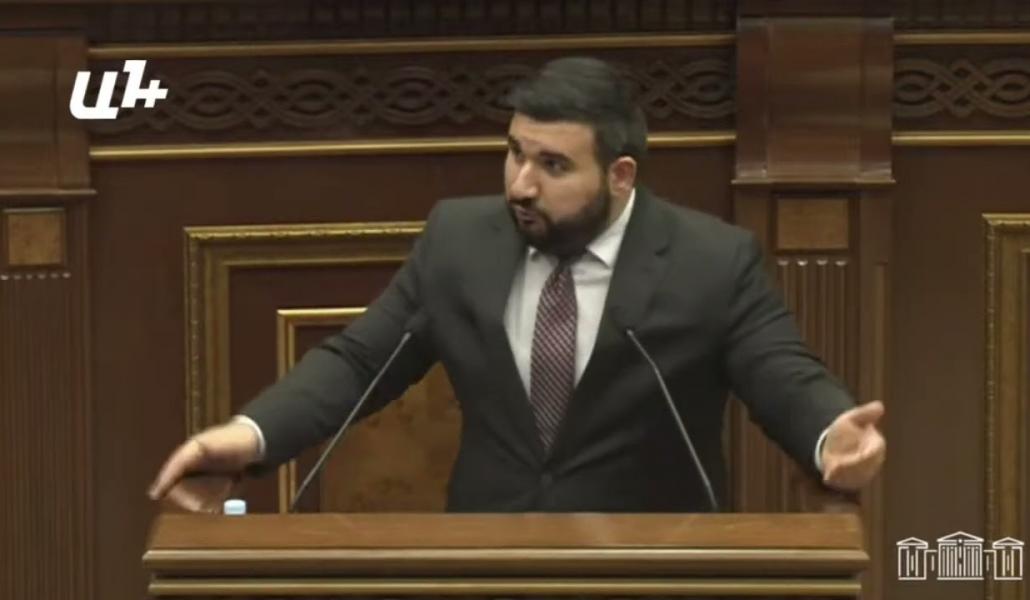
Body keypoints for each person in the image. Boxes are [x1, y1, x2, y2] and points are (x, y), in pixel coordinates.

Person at [149, 57, 885, 513]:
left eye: (553, 166)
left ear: (620, 175)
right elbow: (358, 362)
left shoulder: (710, 261)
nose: (521, 185)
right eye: (514, 154)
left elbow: (779, 370)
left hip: (652, 566)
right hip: (487, 561)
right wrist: (248, 437)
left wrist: (830, 435)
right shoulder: (459, 241)